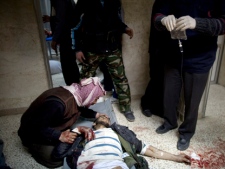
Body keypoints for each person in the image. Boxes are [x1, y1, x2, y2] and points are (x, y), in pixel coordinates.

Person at [151, 0, 225, 151]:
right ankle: (170, 122)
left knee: (192, 101)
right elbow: (157, 16)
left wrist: (197, 23)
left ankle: (186, 132)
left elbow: (223, 24)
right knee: (169, 94)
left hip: (200, 58)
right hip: (172, 54)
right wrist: (163, 19)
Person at [18, 77, 105, 168]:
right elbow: (36, 127)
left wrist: (96, 114)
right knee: (56, 159)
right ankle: (33, 148)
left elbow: (80, 108)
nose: (95, 102)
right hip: (31, 133)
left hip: (46, 125)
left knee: (69, 145)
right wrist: (59, 135)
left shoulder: (76, 94)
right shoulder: (58, 104)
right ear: (88, 95)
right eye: (96, 98)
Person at [73, 0, 135, 122]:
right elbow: (75, 27)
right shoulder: (83, 2)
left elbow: (115, 20)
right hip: (92, 49)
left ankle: (126, 108)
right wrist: (77, 49)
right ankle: (80, 110)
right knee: (85, 81)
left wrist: (124, 28)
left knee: (120, 78)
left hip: (112, 48)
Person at [74, 115, 191, 169]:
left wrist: (177, 158)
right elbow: (61, 150)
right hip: (91, 164)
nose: (105, 116)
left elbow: (149, 149)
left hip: (114, 163)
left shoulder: (120, 133)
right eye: (102, 117)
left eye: (107, 117)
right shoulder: (85, 133)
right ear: (94, 123)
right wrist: (78, 130)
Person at [50, 0, 80, 85]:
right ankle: (74, 87)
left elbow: (61, 19)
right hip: (68, 35)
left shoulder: (60, 1)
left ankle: (73, 88)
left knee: (68, 65)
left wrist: (55, 39)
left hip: (67, 37)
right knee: (70, 64)